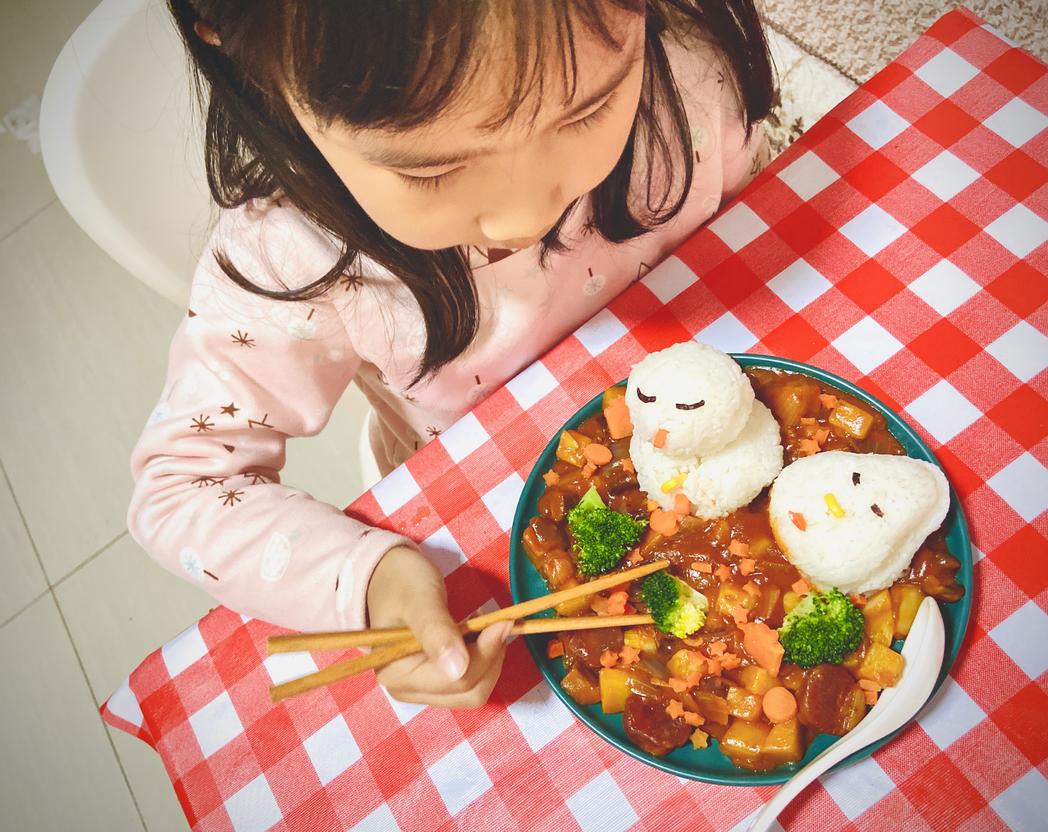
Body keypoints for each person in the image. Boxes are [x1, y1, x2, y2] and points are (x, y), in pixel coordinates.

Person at [130, 0, 774, 708]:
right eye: (433, 171)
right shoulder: (292, 256)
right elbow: (179, 491)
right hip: (477, 510)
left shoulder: (682, 67)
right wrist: (372, 581)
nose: (525, 216)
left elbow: (760, 229)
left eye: (586, 111)